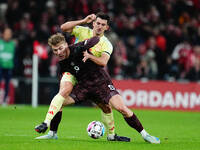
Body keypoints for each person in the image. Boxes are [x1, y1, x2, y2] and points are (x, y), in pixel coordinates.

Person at [35, 14, 160, 144]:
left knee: (118, 107)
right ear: (93, 23)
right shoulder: (83, 30)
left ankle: (144, 135)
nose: (99, 26)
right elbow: (63, 27)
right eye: (98, 23)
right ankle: (51, 132)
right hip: (78, 78)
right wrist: (83, 20)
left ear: (107, 27)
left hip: (98, 80)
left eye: (103, 24)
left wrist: (89, 56)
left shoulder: (106, 44)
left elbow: (103, 62)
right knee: (61, 97)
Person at [0, 27, 16, 106]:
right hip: (0, 66)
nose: (8, 35)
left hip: (9, 67)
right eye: (6, 34)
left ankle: (5, 100)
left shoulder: (13, 44)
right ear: (3, 34)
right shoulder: (0, 43)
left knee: (7, 84)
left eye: (9, 34)